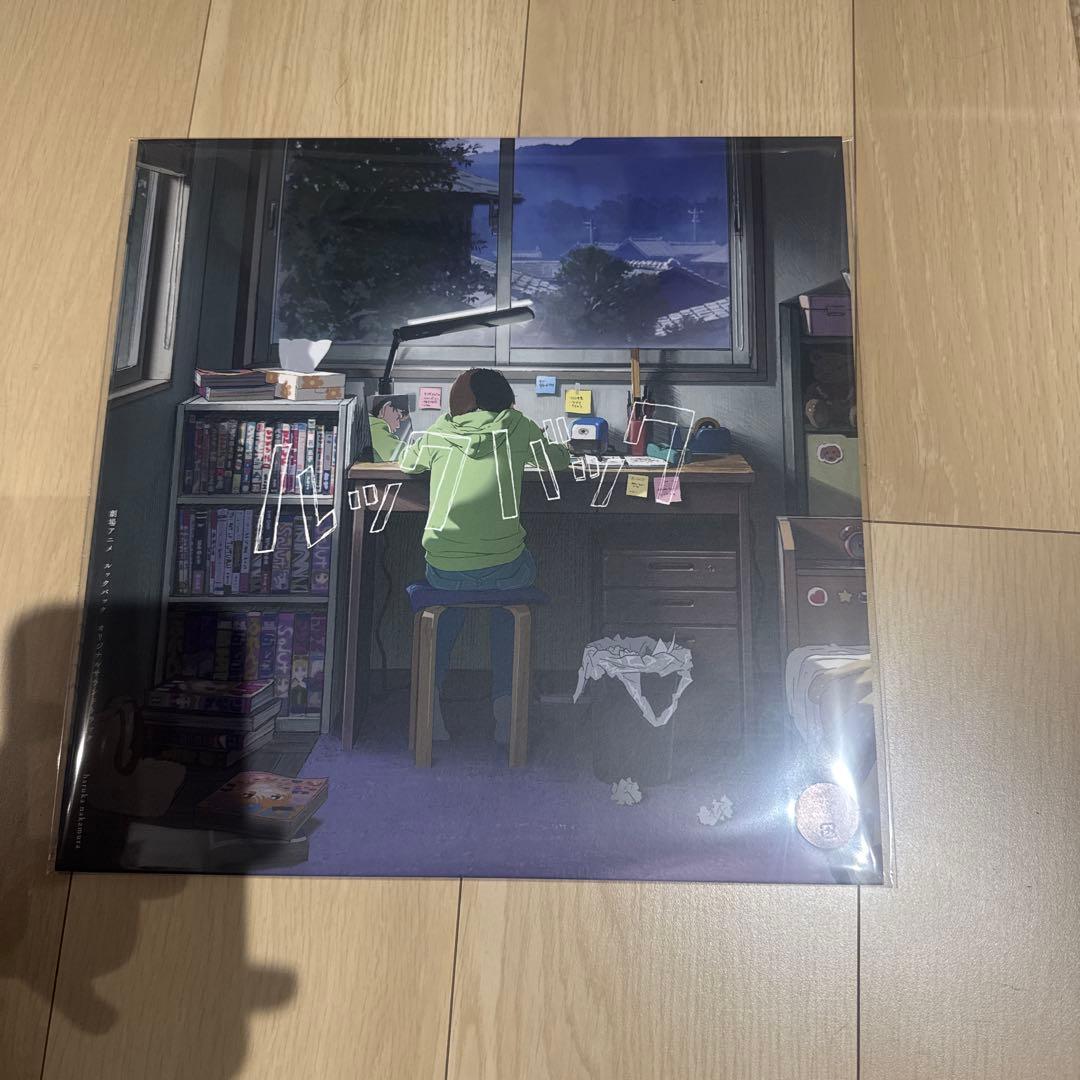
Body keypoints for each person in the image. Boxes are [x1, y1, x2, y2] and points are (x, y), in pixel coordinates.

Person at [368, 368, 572, 743]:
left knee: (448, 596)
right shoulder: (517, 426)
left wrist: (380, 427)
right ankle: (506, 703)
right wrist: (556, 443)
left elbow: (406, 461)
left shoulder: (440, 432)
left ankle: (431, 701)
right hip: (504, 568)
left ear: (464, 401)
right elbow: (558, 460)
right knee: (513, 587)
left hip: (446, 569)